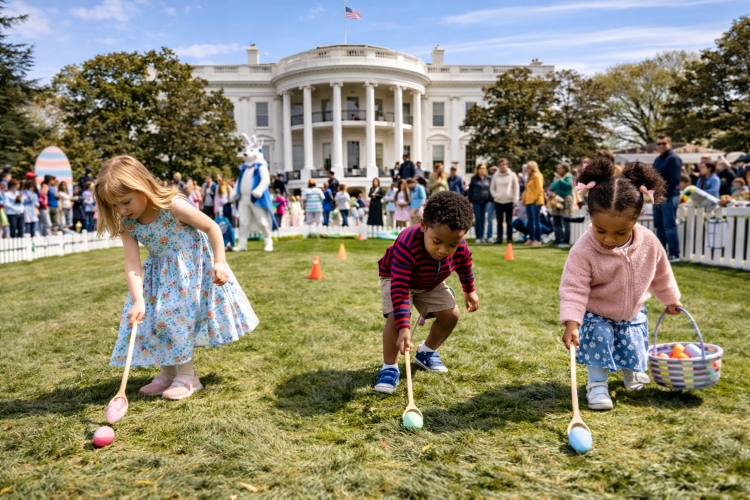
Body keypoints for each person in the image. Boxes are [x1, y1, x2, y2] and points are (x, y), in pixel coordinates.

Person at [92, 155, 258, 400]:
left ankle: (188, 377)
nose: (122, 210)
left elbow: (212, 227)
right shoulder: (128, 223)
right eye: (115, 206)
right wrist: (138, 299)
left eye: (125, 202)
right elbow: (132, 263)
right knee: (157, 319)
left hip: (190, 269)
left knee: (176, 318)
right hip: (160, 274)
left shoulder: (173, 206)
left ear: (142, 186)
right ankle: (168, 374)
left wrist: (219, 261)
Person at [560, 157, 682, 411]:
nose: (609, 239)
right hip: (597, 311)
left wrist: (671, 299)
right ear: (590, 216)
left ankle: (632, 371)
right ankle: (596, 383)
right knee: (598, 337)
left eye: (620, 232)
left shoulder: (649, 242)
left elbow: (661, 273)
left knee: (634, 339)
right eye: (600, 230)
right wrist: (572, 322)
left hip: (632, 309)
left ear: (636, 218)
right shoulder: (584, 250)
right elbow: (574, 287)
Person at [374, 191, 479, 393]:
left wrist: (469, 290)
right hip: (397, 278)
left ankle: (426, 353)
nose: (443, 251)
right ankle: (389, 367)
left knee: (451, 316)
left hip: (431, 281)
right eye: (437, 242)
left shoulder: (461, 248)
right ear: (423, 225)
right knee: (396, 318)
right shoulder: (407, 243)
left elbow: (464, 265)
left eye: (452, 245)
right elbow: (400, 286)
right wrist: (404, 327)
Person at [652, 135, 683, 263]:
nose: (661, 146)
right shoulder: (658, 159)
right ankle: (662, 253)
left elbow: (674, 179)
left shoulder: (674, 159)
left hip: (670, 196)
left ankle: (674, 254)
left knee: (669, 225)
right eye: (659, 144)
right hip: (657, 196)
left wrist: (664, 194)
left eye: (663, 143)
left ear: (669, 144)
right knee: (659, 226)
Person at [490, 159, 519, 245]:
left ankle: (509, 239)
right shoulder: (495, 176)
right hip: (498, 201)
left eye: (504, 164)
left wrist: (515, 199)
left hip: (509, 201)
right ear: (498, 166)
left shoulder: (512, 175)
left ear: (507, 165)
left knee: (509, 221)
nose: (502, 166)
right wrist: (496, 195)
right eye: (500, 165)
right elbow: (492, 188)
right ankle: (499, 239)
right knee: (499, 221)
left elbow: (516, 188)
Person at [549, 162, 575, 248]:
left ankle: (566, 241)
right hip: (557, 199)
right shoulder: (557, 177)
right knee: (556, 220)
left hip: (566, 199)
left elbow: (569, 186)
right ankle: (557, 240)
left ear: (564, 169)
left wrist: (560, 180)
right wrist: (558, 180)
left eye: (559, 168)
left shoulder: (569, 177)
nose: (557, 170)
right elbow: (552, 187)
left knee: (565, 220)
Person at [468, 163, 493, 243]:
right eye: (481, 168)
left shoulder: (489, 178)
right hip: (476, 201)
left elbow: (491, 190)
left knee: (484, 219)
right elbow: (470, 191)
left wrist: (490, 200)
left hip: (487, 201)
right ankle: (479, 237)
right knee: (478, 219)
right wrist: (471, 201)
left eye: (484, 168)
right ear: (478, 169)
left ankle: (486, 236)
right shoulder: (474, 178)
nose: (483, 170)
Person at [521, 161, 544, 246]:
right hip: (528, 201)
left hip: (535, 201)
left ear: (533, 168)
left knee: (536, 221)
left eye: (528, 168)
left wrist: (533, 199)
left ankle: (537, 239)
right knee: (530, 221)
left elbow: (539, 190)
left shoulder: (537, 176)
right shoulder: (529, 177)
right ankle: (531, 238)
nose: (527, 169)